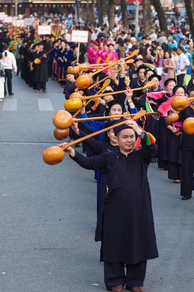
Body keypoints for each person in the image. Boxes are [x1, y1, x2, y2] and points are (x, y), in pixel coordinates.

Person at [61, 119, 158, 292]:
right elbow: (89, 163)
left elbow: (152, 147)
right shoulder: (109, 157)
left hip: (139, 209)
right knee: (114, 243)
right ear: (117, 139)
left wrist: (138, 129)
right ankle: (115, 281)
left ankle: (135, 282)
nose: (129, 140)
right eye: (125, 137)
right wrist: (72, 153)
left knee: (138, 242)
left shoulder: (141, 157)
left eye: (131, 137)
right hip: (114, 208)